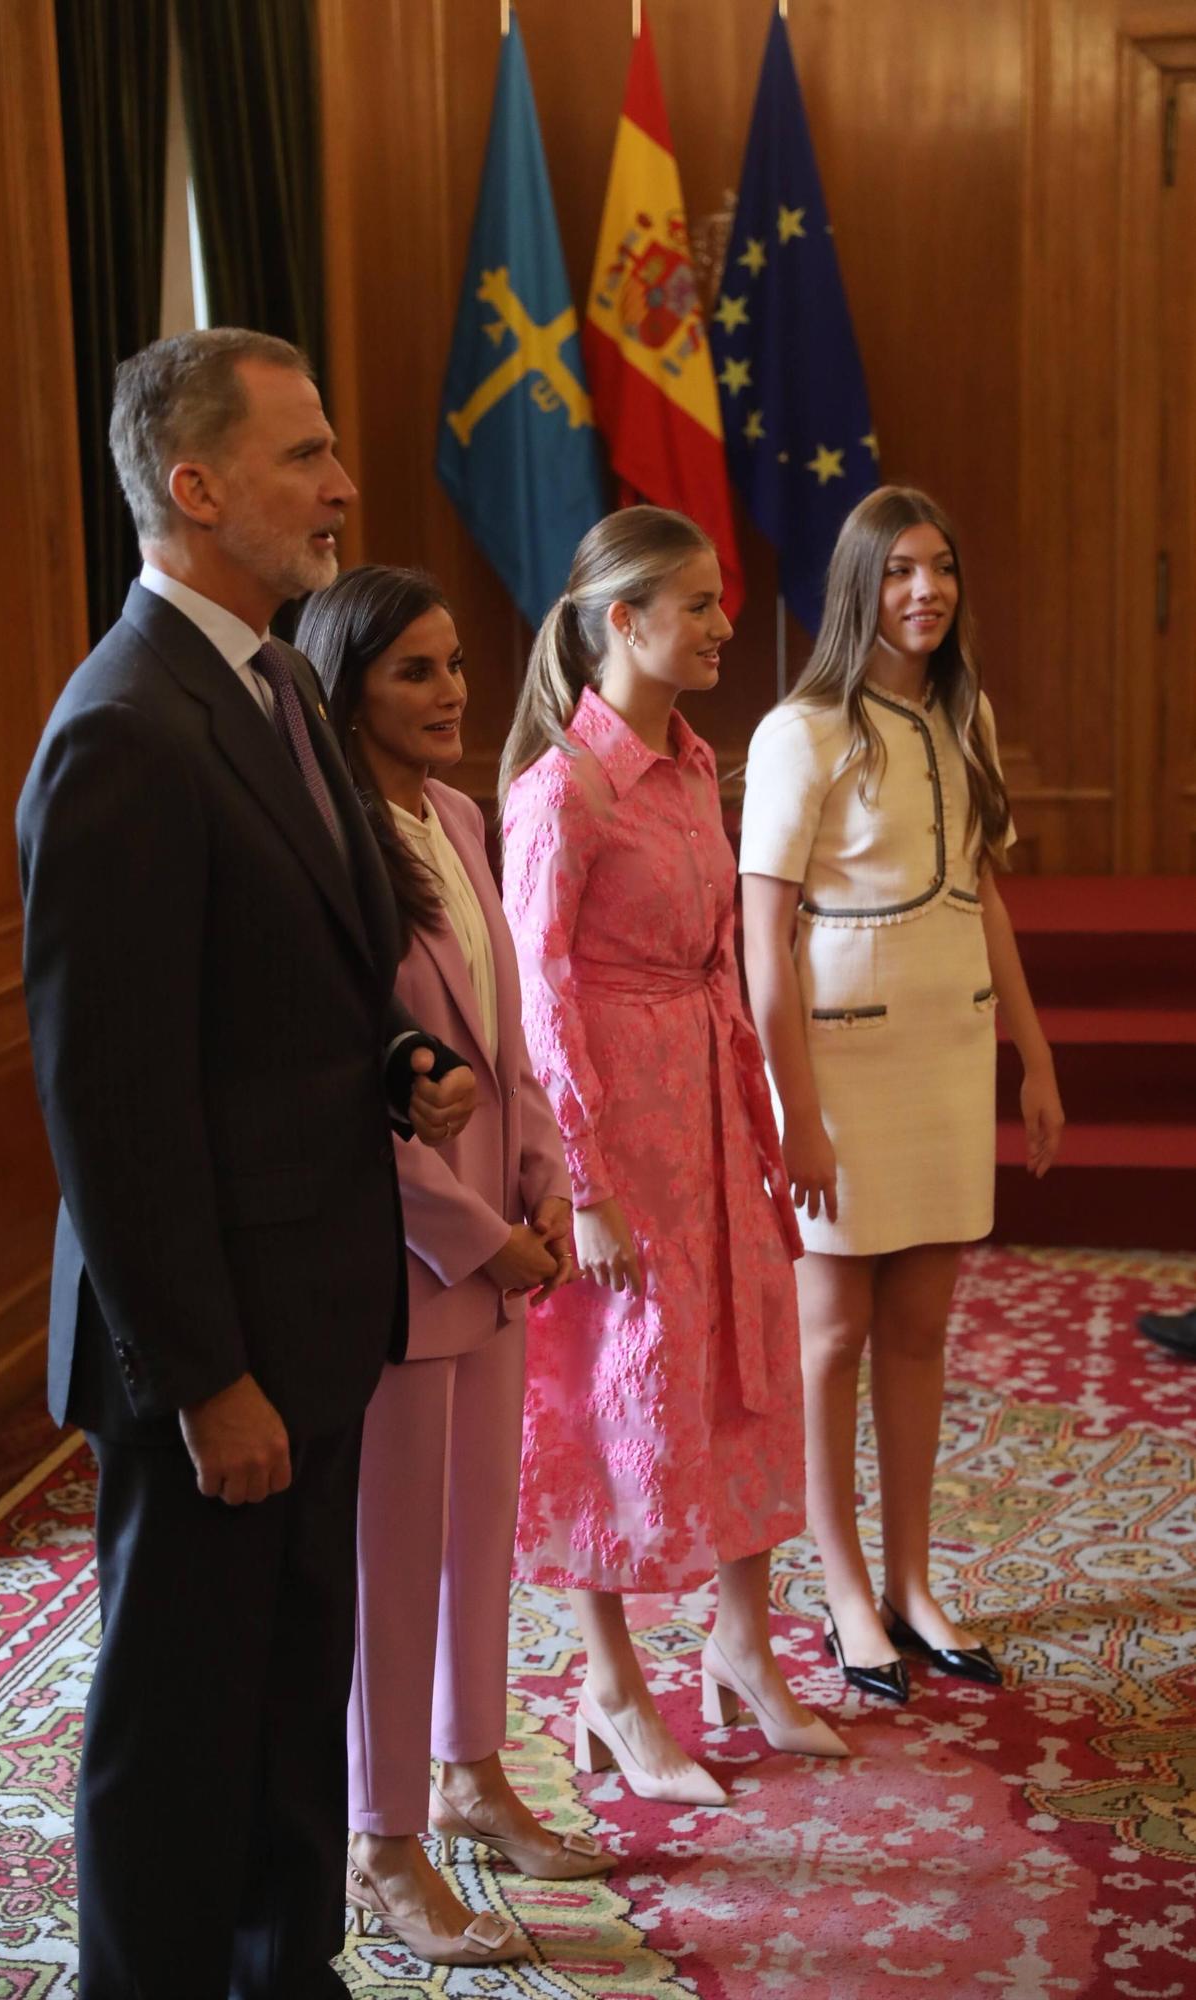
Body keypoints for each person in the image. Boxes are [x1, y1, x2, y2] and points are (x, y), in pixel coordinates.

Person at [16, 328, 476, 2000]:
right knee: (177, 1740)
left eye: (333, 449)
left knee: (293, 1705)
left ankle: (289, 1973)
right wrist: (207, 1377)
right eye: (305, 457)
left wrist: (395, 1060)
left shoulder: (274, 679)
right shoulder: (121, 730)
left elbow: (275, 984)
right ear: (196, 489)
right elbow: (110, 1104)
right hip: (209, 1356)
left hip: (319, 1308)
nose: (343, 484)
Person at [499, 505, 846, 1811]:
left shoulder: (697, 766)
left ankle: (741, 1653)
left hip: (709, 1111)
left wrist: (765, 1118)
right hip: (618, 1138)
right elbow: (538, 1001)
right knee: (608, 1396)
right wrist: (578, 1185)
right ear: (618, 622)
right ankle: (607, 1686)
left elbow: (726, 958)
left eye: (718, 601)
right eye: (694, 605)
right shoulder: (560, 791)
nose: (719, 625)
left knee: (745, 1375)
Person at [298, 565, 614, 1967]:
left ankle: (471, 1774)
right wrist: (483, 1237)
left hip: (499, 1246)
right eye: (413, 670)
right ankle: (383, 1845)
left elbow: (506, 1039)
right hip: (409, 1257)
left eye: (452, 666)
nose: (449, 692)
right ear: (345, 681)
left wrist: (542, 1189)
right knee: (393, 1556)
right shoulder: (333, 847)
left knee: (479, 1534)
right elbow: (356, 1093)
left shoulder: (461, 817)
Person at [740, 484, 1065, 1701]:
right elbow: (758, 937)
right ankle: (838, 1583)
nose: (922, 590)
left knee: (922, 1329)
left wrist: (1030, 1055)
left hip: (943, 1054)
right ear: (855, 586)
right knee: (829, 1335)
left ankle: (912, 1579)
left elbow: (981, 894)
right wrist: (795, 1111)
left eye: (938, 568)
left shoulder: (962, 711)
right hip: (837, 1066)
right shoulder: (800, 728)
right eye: (896, 571)